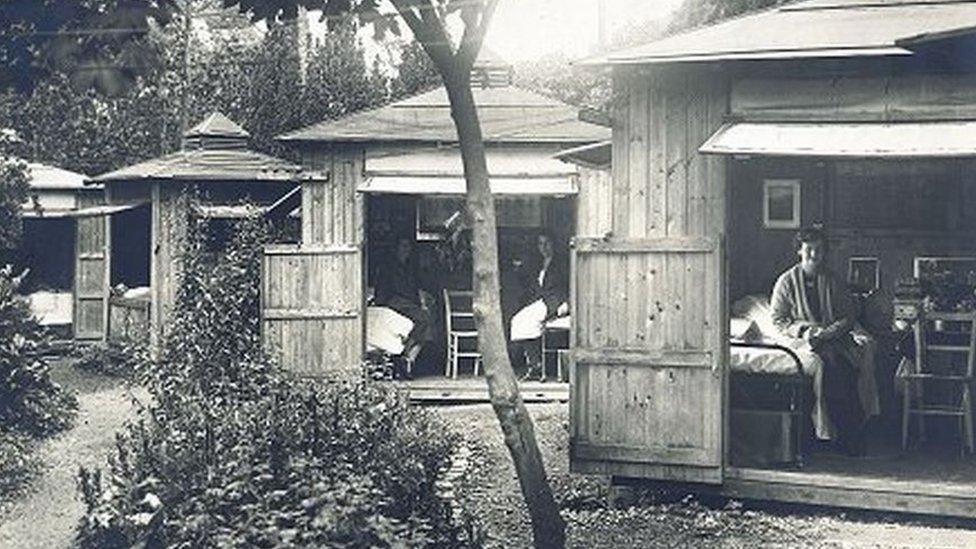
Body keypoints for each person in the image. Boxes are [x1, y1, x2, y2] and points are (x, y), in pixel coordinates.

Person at [770, 228, 879, 455]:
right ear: (800, 251)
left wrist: (828, 333)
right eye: (809, 249)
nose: (814, 254)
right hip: (801, 340)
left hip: (832, 337)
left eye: (819, 250)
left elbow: (847, 317)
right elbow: (779, 320)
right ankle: (846, 436)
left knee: (844, 366)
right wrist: (804, 331)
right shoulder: (786, 282)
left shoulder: (833, 281)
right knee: (831, 365)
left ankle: (849, 433)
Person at [510, 232, 569, 381]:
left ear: (553, 244)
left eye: (547, 243)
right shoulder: (538, 263)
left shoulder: (562, 263)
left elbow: (572, 284)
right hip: (542, 301)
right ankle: (534, 363)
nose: (544, 247)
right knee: (518, 320)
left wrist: (568, 303)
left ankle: (536, 365)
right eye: (540, 244)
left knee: (527, 321)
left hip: (556, 301)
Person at [374, 238, 431, 369]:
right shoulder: (388, 267)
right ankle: (406, 354)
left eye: (408, 247)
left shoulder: (409, 267)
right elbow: (383, 290)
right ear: (396, 249)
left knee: (426, 319)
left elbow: (414, 288)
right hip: (393, 301)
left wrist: (420, 302)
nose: (406, 250)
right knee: (423, 318)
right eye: (403, 246)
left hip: (407, 303)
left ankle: (408, 355)